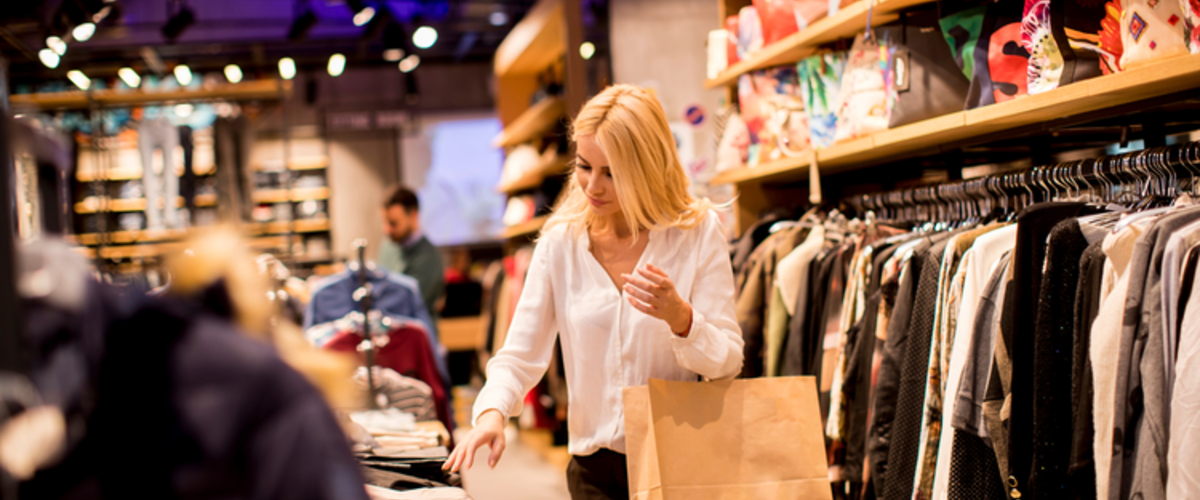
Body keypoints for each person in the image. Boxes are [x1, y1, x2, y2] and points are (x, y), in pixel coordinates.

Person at [443, 85, 744, 500]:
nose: (592, 186)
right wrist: (492, 413)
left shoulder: (694, 234)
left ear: (648, 167)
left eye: (612, 173)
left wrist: (682, 319)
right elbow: (519, 355)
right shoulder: (560, 243)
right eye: (585, 166)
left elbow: (727, 361)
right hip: (593, 471)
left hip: (679, 462)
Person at [379, 186, 445, 323]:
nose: (387, 230)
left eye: (393, 223)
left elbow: (406, 306)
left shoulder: (429, 258)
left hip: (417, 337)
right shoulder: (388, 246)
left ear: (413, 215)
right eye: (385, 222)